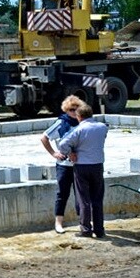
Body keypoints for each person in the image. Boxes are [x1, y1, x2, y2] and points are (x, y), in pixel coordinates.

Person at [56, 101, 108, 239]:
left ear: (79, 117)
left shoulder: (78, 129)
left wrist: (70, 152)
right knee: (97, 198)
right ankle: (99, 229)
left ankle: (86, 229)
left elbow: (62, 144)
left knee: (84, 199)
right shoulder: (102, 127)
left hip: (81, 166)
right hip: (97, 166)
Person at [39, 95, 83, 233]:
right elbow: (44, 137)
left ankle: (83, 222)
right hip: (64, 165)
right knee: (62, 194)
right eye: (71, 109)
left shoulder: (83, 123)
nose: (73, 112)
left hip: (80, 164)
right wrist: (54, 153)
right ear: (66, 110)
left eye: (76, 109)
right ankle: (58, 223)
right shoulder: (61, 123)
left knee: (81, 195)